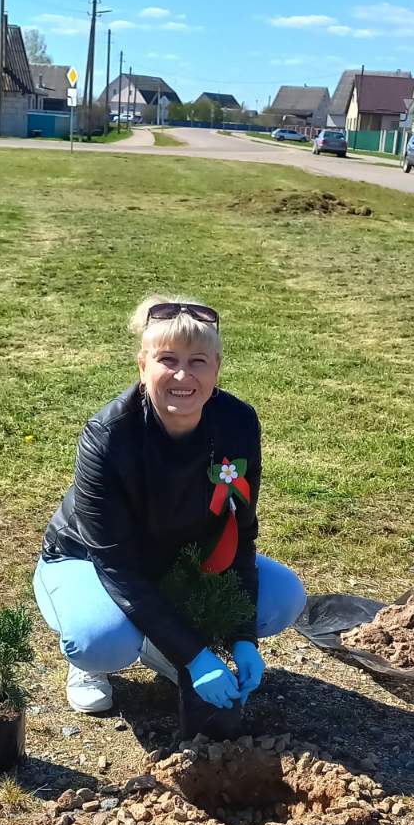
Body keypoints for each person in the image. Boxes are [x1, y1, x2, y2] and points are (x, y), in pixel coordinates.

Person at [33, 295, 306, 714]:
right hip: (89, 559)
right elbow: (115, 563)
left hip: (177, 559)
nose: (183, 374)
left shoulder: (238, 423)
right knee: (100, 639)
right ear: (143, 367)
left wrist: (243, 637)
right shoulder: (108, 436)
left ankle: (161, 645)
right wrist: (194, 656)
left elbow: (240, 533)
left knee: (283, 596)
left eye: (198, 361)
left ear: (216, 369)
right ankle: (93, 664)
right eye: (167, 359)